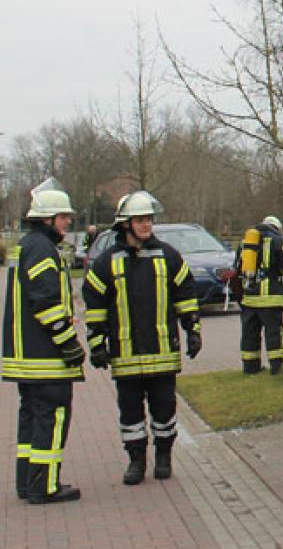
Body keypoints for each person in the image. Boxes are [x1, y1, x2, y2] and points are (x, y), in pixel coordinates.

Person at [82, 191, 202, 486]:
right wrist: (97, 345)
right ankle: (136, 460)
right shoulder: (107, 263)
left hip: (162, 352)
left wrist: (193, 330)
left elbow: (185, 294)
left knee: (165, 408)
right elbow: (94, 304)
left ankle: (164, 456)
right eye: (140, 220)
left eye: (149, 219)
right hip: (126, 354)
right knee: (131, 413)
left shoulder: (169, 256)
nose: (147, 225)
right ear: (126, 224)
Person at [1, 179, 85, 504]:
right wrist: (69, 345)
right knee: (52, 420)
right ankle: (44, 486)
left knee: (31, 421)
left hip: (28, 358)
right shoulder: (42, 249)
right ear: (48, 219)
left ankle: (27, 483)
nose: (67, 223)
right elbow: (46, 303)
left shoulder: (28, 245)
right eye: (63, 217)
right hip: (46, 359)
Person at [237, 215, 283, 375]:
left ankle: (250, 368)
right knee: (273, 333)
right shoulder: (279, 242)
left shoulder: (246, 242)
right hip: (271, 298)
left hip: (249, 297)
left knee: (250, 334)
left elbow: (239, 267)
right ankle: (277, 368)